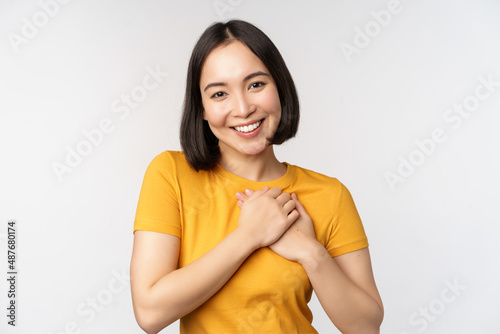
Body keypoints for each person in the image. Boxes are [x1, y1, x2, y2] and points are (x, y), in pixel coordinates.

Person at [130, 19, 383, 334]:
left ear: (279, 87)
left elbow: (366, 327)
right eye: (220, 94)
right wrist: (249, 235)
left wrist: (311, 253)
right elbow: (150, 313)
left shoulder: (330, 195)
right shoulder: (171, 174)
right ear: (203, 109)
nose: (243, 108)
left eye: (256, 85)